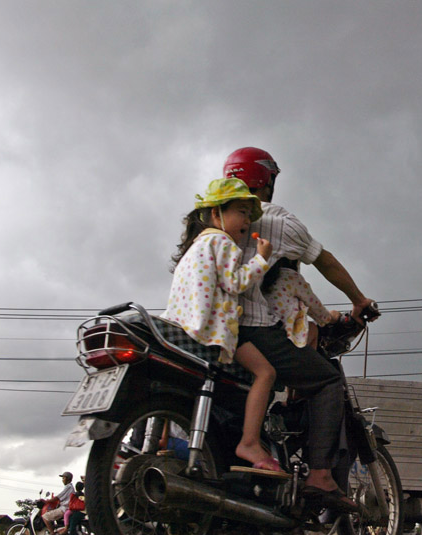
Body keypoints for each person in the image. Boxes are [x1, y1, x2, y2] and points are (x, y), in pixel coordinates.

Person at [224, 147, 377, 512]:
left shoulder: (211, 218)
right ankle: (320, 475)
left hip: (208, 326)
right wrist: (358, 300)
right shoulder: (278, 223)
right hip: (250, 328)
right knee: (326, 381)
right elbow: (324, 262)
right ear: (267, 181)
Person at [161, 177, 281, 471]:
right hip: (211, 332)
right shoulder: (222, 241)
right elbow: (236, 282)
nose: (246, 221)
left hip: (184, 330)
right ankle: (249, 442)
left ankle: (164, 440)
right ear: (216, 214)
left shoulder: (196, 247)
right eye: (241, 211)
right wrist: (262, 259)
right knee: (266, 372)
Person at [261, 257, 340, 349]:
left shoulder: (262, 276)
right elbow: (316, 309)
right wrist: (332, 317)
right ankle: (307, 361)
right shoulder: (291, 276)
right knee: (313, 328)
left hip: (261, 332)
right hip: (283, 334)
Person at [42, 471, 75, 535]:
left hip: (64, 508)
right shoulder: (70, 487)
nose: (62, 480)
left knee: (45, 517)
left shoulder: (68, 487)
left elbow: (58, 497)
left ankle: (52, 533)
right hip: (64, 507)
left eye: (63, 478)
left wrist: (47, 501)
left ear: (68, 479)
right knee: (50, 512)